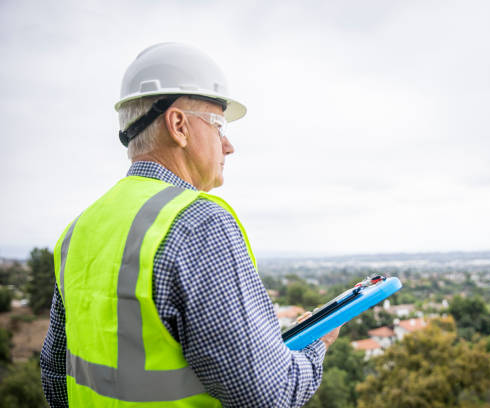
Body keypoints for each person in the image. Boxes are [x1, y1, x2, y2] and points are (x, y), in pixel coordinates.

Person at [41, 42, 340, 408]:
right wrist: (315, 344)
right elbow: (268, 395)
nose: (228, 145)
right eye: (219, 126)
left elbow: (56, 377)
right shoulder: (198, 225)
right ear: (178, 125)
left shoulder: (79, 230)